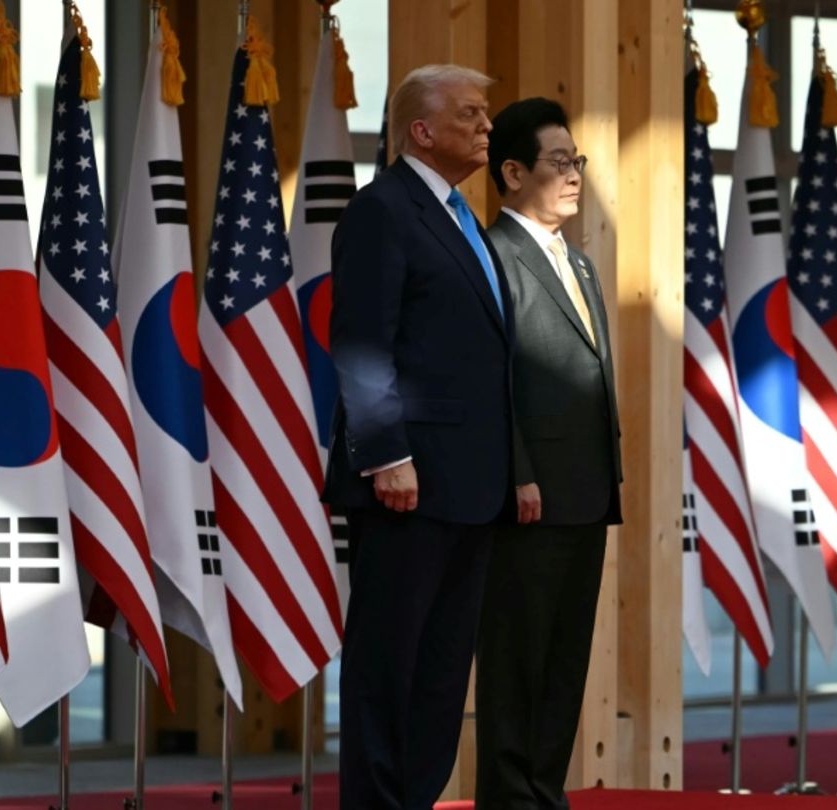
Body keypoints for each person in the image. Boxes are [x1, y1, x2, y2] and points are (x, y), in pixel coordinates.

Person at [324, 64, 510, 810]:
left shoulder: (463, 218)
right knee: (388, 669)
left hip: (470, 484)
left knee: (440, 674)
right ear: (422, 131)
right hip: (407, 481)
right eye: (471, 114)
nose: (487, 126)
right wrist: (387, 456)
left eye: (486, 113)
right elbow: (362, 343)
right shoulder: (382, 210)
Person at [475, 97, 622, 810]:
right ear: (512, 172)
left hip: (586, 493)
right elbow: (491, 380)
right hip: (528, 497)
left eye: (577, 161)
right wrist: (518, 473)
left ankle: (544, 794)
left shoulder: (581, 263)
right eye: (558, 162)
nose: (573, 175)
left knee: (564, 662)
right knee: (517, 662)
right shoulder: (491, 257)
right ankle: (510, 799)